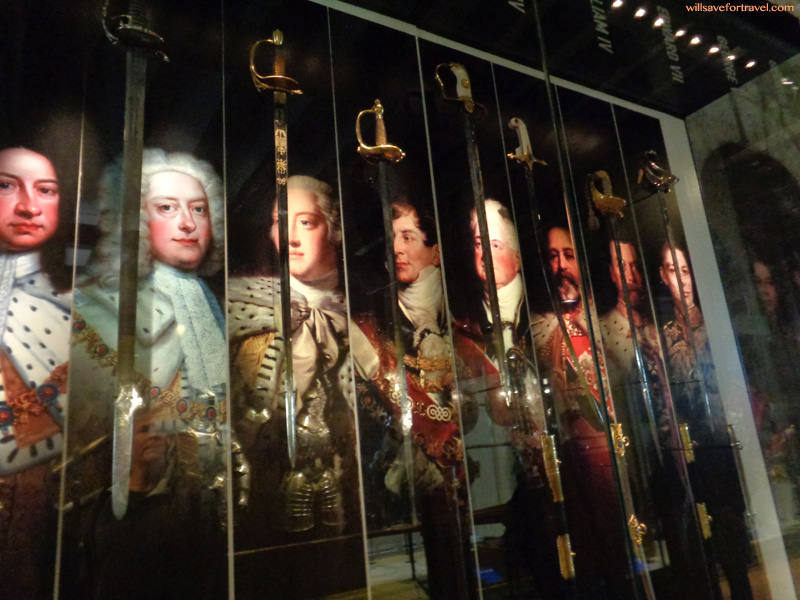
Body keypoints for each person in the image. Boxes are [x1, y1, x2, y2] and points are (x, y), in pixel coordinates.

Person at [64, 149, 227, 598]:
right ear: (135, 220)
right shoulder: (94, 311)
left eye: (198, 210)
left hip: (195, 510)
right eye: (167, 209)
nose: (188, 224)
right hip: (123, 513)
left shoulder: (213, 314)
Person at [352, 197, 478, 600]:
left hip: (454, 477)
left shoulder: (460, 321)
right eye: (392, 239)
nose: (398, 248)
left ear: (435, 251)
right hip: (402, 476)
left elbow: (476, 402)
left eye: (409, 236)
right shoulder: (376, 320)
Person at [228, 175, 357, 536]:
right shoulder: (241, 310)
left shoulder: (360, 316)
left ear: (333, 230)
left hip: (343, 488)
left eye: (306, 222)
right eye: (280, 222)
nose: (291, 237)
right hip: (266, 488)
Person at [531, 223, 631, 599]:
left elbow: (625, 374)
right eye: (553, 256)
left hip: (611, 454)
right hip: (571, 458)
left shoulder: (604, 325)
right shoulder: (538, 328)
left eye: (568, 255)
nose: (561, 265)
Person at [659, 241, 755, 600]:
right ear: (663, 277)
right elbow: (684, 385)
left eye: (685, 270)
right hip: (697, 442)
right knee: (707, 526)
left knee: (732, 523)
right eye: (673, 270)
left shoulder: (715, 320)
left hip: (727, 435)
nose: (681, 280)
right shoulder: (669, 331)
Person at [0, 147, 73, 600]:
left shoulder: (76, 308)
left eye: (45, 191)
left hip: (40, 490)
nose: (29, 205)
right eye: (6, 186)